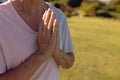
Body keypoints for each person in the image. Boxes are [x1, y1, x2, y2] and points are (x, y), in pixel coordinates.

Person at [0, 0, 75, 80]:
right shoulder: (2, 17)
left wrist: (56, 52)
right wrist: (41, 55)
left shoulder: (59, 16)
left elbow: (69, 61)